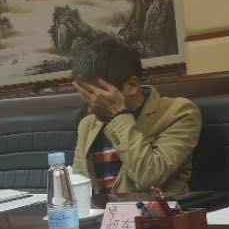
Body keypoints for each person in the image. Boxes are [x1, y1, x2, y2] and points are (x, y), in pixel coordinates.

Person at [71, 36, 201, 197]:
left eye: (96, 94)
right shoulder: (88, 123)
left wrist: (118, 116)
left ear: (131, 85)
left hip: (155, 211)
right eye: (85, 95)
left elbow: (149, 177)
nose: (91, 105)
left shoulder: (179, 112)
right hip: (100, 212)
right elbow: (79, 185)